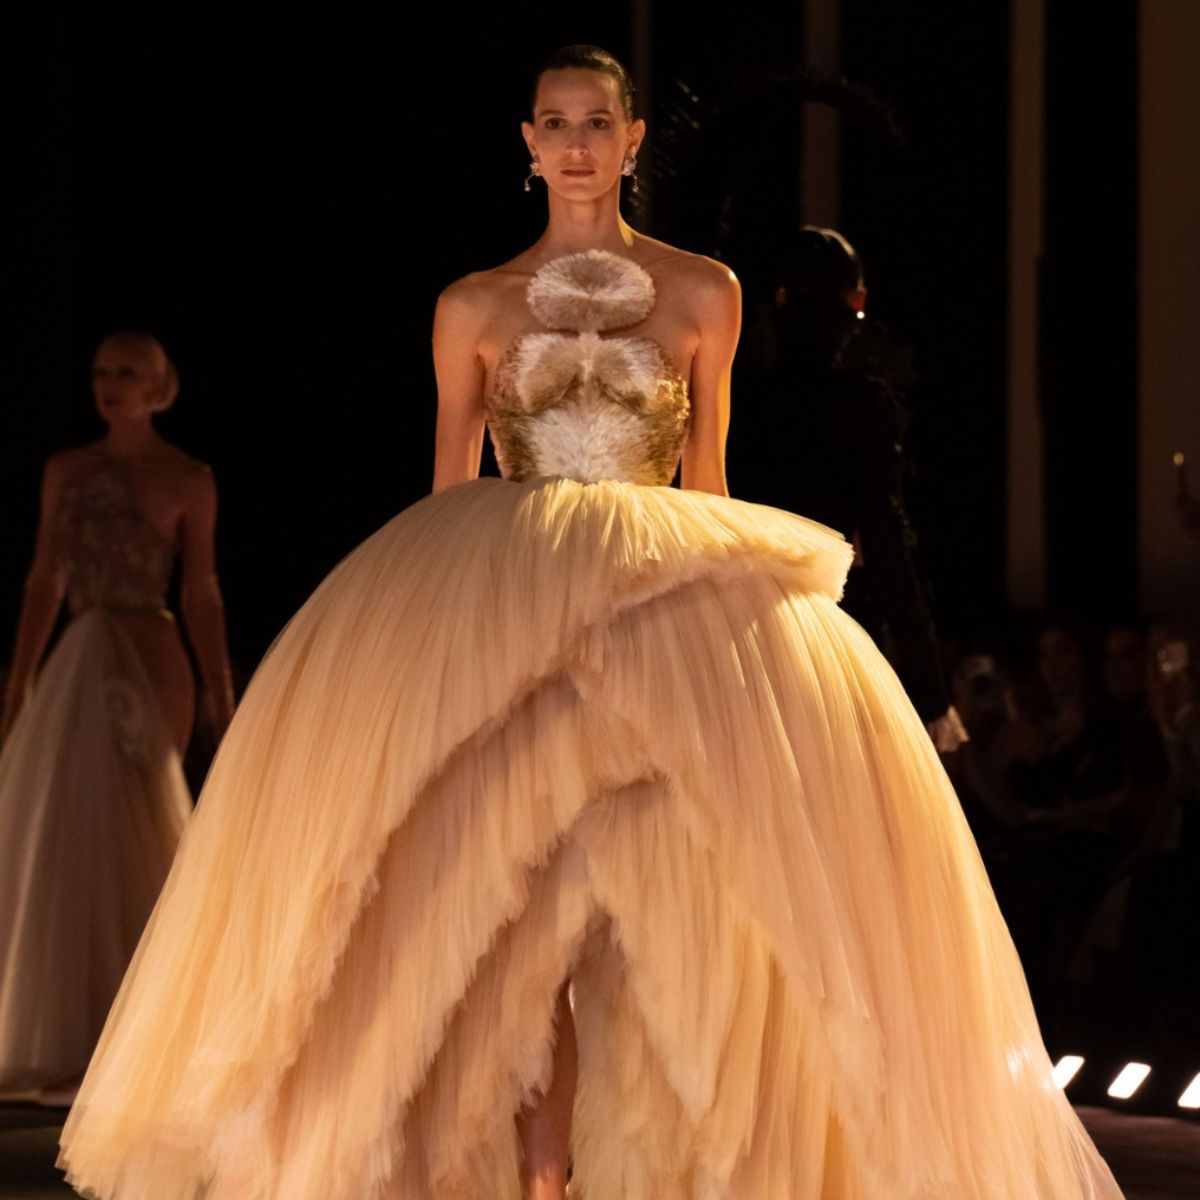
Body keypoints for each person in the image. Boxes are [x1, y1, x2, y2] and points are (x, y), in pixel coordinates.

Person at [58, 47, 1122, 1200]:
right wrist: (417, 663)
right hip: (502, 593)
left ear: (632, 139)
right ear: (526, 143)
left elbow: (706, 480)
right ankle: (539, 1172)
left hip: (653, 603)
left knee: (658, 895)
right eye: (554, 123)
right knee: (506, 904)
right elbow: (448, 490)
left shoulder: (702, 290)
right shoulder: (472, 303)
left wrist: (739, 647)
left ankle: (660, 1162)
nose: (574, 142)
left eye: (596, 121)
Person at [0, 330, 233, 1104]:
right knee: (70, 837)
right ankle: (77, 1036)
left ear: (159, 384)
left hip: (149, 648)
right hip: (80, 652)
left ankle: (145, 1032)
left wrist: (218, 686)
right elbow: (45, 578)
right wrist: (21, 678)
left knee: (141, 826)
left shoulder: (187, 478)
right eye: (101, 370)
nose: (109, 383)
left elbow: (200, 590)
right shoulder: (67, 471)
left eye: (126, 371)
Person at [730, 225, 965, 753]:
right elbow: (887, 546)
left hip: (733, 633)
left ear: (781, 301)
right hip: (827, 625)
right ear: (856, 303)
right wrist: (931, 696)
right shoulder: (861, 407)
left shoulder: (737, 399)